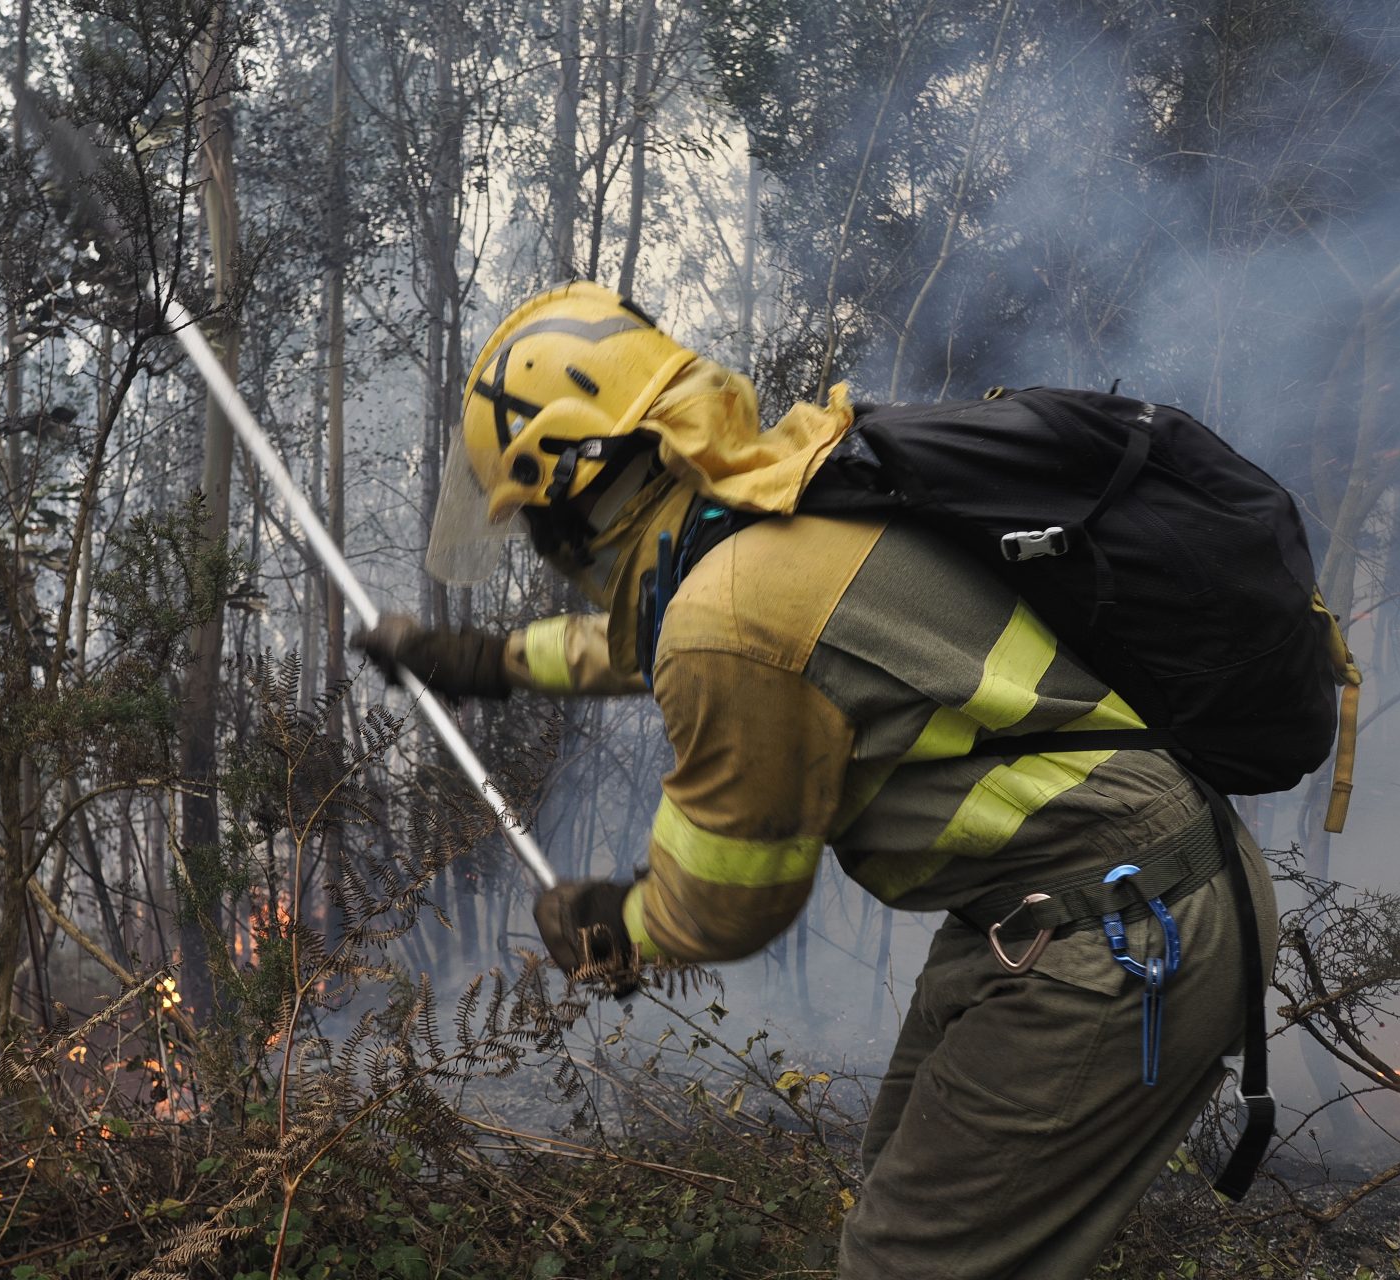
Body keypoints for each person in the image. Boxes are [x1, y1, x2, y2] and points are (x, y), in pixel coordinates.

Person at [356, 281, 1278, 1279]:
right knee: (897, 1202)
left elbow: (731, 898)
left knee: (903, 1260)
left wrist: (614, 922)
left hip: (1121, 928)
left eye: (535, 518)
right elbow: (649, 639)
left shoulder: (725, 612)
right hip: (1082, 904)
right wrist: (480, 661)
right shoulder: (765, 503)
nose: (542, 545)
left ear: (577, 486)